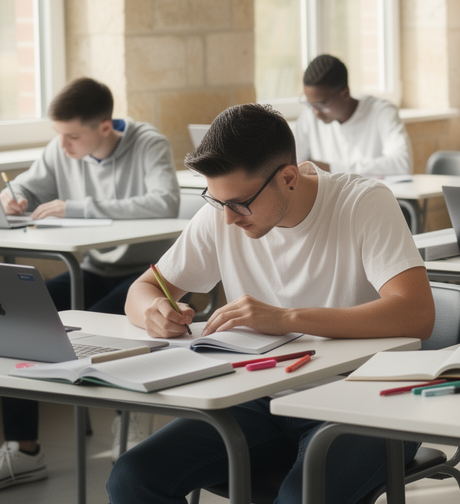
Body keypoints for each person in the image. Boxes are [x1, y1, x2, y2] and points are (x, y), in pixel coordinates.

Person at [106, 103, 434, 504]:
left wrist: (287, 319)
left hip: (367, 399)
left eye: (239, 204)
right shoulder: (225, 209)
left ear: (288, 178)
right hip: (264, 396)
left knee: (299, 497)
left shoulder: (362, 202)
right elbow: (142, 289)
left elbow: (417, 314)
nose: (228, 219)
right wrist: (153, 312)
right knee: (132, 476)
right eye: (216, 201)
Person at [0, 76, 179, 489]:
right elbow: (29, 183)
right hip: (95, 268)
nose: (64, 148)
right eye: (59, 136)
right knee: (19, 314)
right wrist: (15, 197)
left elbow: (164, 201)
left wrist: (76, 207)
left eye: (72, 137)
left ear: (104, 126)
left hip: (149, 276)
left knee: (92, 325)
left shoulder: (148, 143)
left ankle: (131, 420)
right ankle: (24, 449)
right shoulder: (62, 146)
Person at [294, 54, 412, 175]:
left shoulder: (382, 112)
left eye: (323, 104)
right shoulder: (309, 116)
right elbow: (295, 164)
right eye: (310, 104)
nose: (315, 112)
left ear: (345, 93)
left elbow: (402, 164)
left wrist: (331, 168)